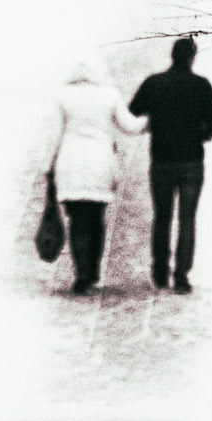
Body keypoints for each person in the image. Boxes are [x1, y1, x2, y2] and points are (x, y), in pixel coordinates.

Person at [128, 37, 212, 292]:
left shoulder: (155, 83)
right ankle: (181, 275)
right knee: (187, 218)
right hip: (191, 160)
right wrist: (201, 135)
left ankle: (160, 271)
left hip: (162, 159)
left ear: (172, 56)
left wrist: (155, 119)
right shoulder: (201, 85)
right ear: (192, 57)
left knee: (162, 217)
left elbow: (134, 109)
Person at [48, 54, 146, 294]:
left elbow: (55, 136)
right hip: (100, 161)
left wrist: (48, 167)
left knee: (77, 221)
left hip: (70, 161)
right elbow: (130, 126)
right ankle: (92, 272)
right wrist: (152, 118)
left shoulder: (62, 96)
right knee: (96, 219)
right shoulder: (110, 95)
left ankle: (81, 274)